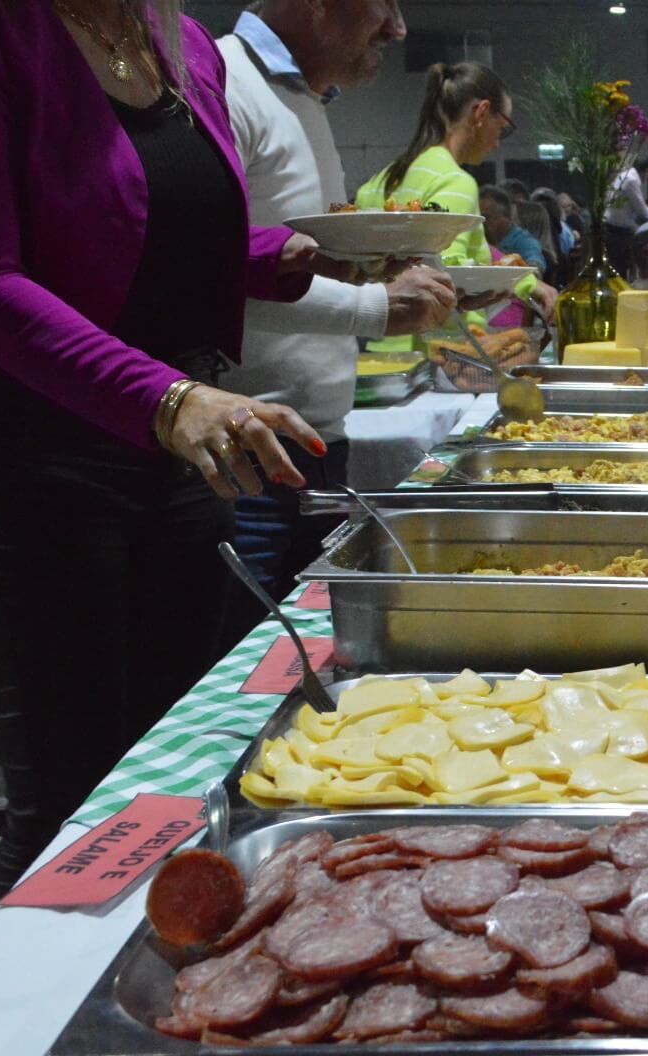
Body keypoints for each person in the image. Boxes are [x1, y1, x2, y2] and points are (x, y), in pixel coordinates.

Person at [0, 0, 343, 913]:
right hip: (38, 458)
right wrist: (169, 399)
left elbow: (157, 234)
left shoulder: (179, 41)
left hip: (175, 460)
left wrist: (290, 257)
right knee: (66, 811)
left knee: (174, 780)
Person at [215, 0, 459, 644]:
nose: (398, 27)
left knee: (317, 659)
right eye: (382, 3)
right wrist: (378, 306)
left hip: (321, 446)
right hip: (247, 456)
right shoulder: (225, 80)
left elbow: (300, 262)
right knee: (246, 677)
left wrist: (377, 273)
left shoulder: (305, 100)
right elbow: (212, 276)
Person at [355, 61, 554, 350]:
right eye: (503, 128)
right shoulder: (455, 181)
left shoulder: (383, 178)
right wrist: (515, 282)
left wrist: (523, 282)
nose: (498, 143)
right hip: (432, 352)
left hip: (378, 348)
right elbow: (449, 270)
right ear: (482, 113)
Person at [603, 157, 648, 279]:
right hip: (618, 231)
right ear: (646, 171)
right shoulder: (632, 180)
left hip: (612, 227)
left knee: (617, 269)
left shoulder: (624, 175)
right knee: (620, 270)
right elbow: (643, 211)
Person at [480, 185, 547, 273]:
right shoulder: (478, 240)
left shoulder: (523, 241)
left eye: (485, 218)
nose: (480, 223)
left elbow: (535, 261)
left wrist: (529, 273)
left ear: (504, 219)